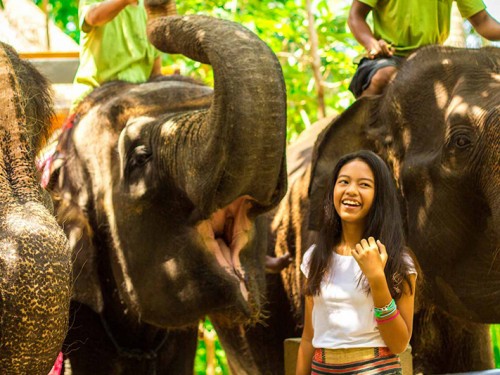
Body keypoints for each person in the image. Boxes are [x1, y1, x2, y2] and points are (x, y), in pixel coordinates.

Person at [295, 150, 419, 375]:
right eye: (343, 182)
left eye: (364, 185)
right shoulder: (314, 258)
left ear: (379, 197)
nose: (351, 191)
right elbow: (308, 339)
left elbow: (399, 344)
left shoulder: (399, 261)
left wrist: (376, 278)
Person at [347, 0, 500, 98]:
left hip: (431, 58)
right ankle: (359, 138)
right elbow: (355, 16)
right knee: (383, 76)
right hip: (390, 57)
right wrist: (371, 43)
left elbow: (483, 22)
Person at [71, 0, 162, 111]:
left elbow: (156, 73)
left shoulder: (149, 11)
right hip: (94, 99)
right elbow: (93, 17)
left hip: (136, 102)